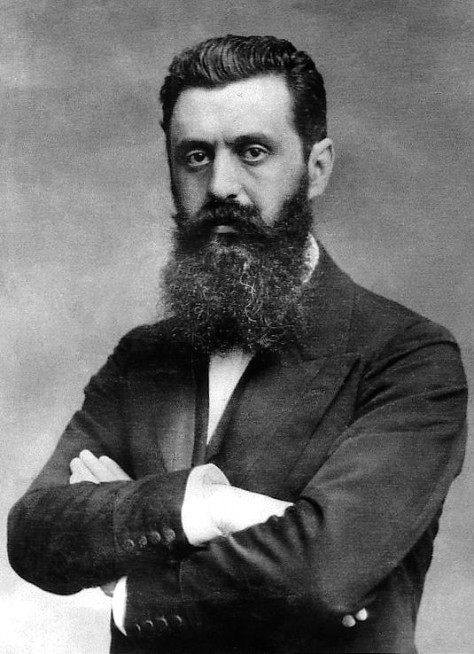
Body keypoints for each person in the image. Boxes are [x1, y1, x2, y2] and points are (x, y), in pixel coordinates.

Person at [8, 35, 467, 654]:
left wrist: (131, 584)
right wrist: (208, 508)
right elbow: (34, 533)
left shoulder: (409, 357)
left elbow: (321, 575)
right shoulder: (142, 357)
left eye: (253, 151)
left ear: (317, 168)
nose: (221, 185)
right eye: (196, 156)